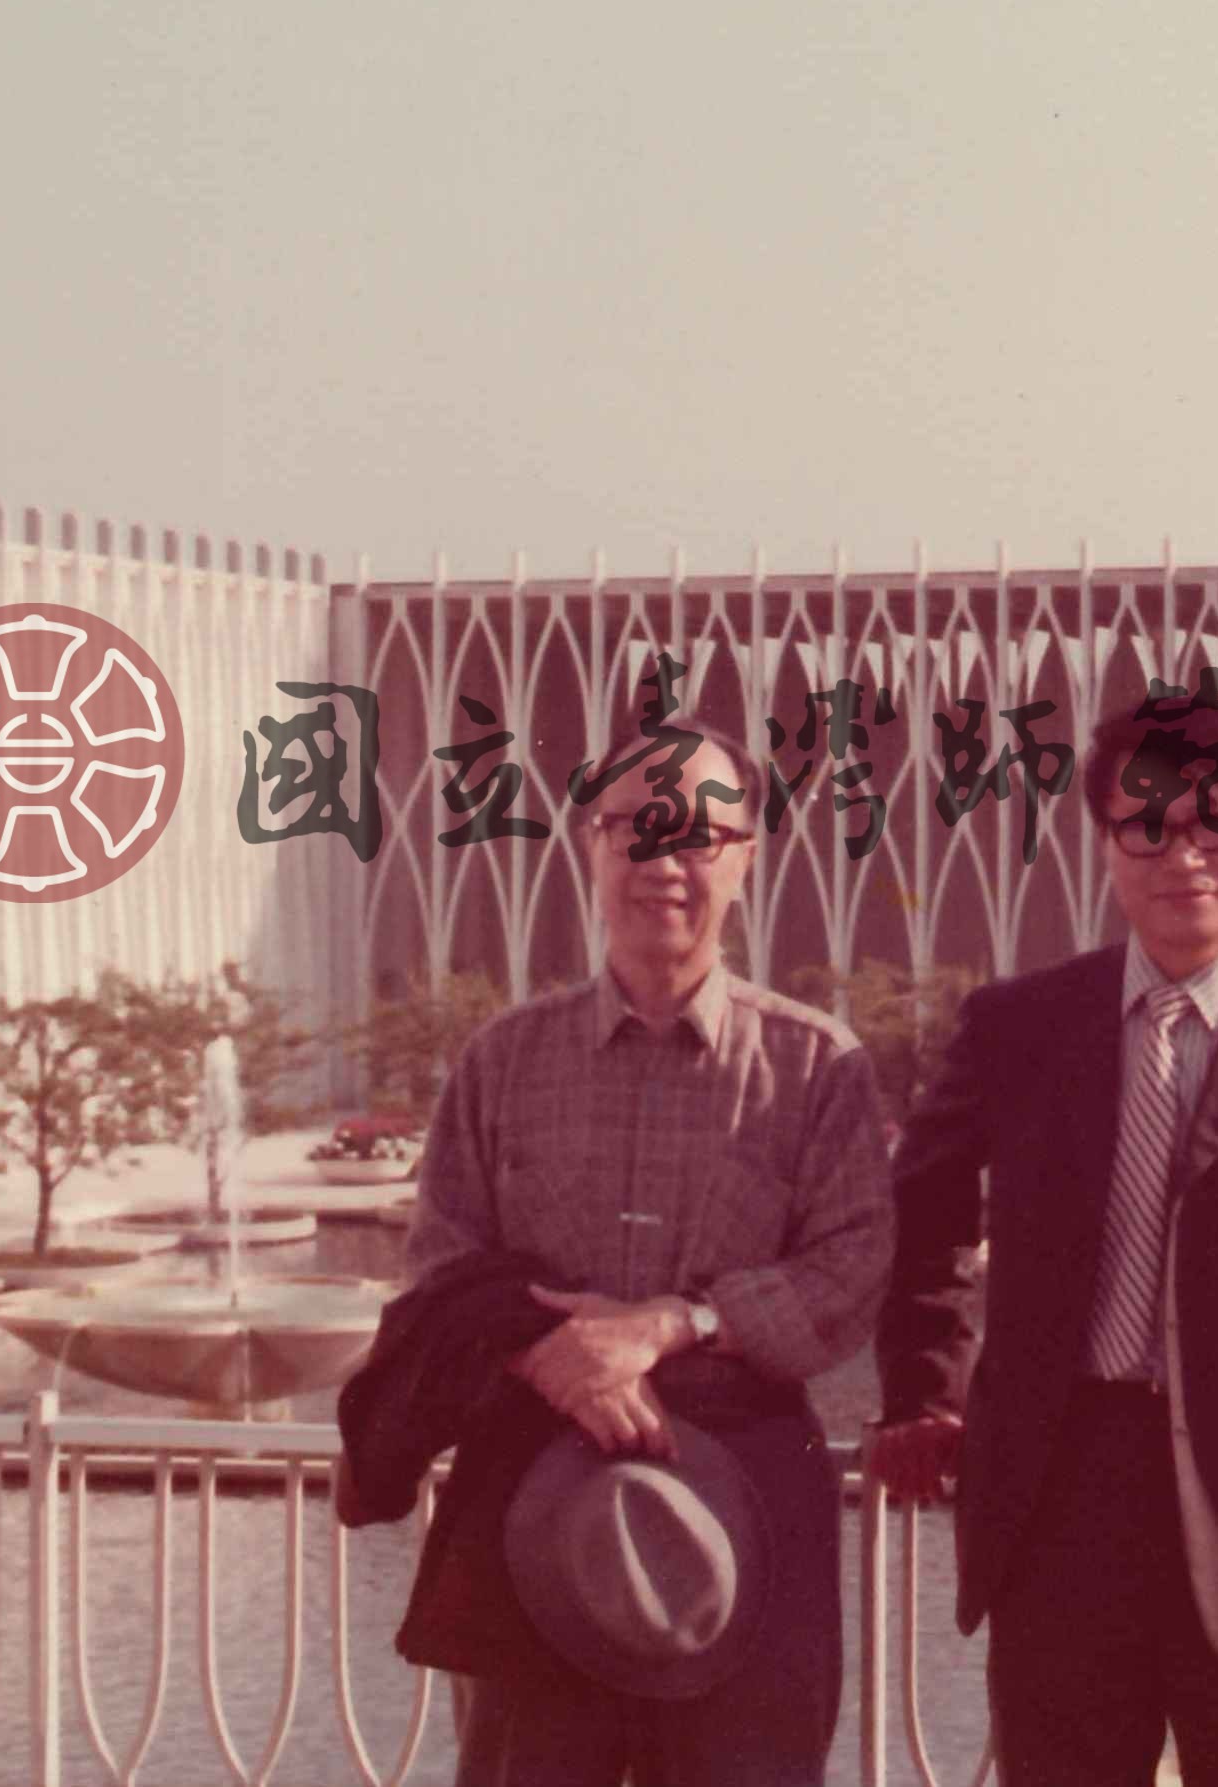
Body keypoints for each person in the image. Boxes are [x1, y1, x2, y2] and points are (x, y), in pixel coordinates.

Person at [868, 704, 1218, 1787]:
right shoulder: (1018, 1028)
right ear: (1106, 843)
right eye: (1147, 826)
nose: (1183, 855)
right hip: (1056, 1516)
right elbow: (922, 1208)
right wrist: (926, 1385)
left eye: (1214, 821)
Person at [394, 710, 893, 1787]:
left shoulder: (818, 1067)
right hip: (535, 1501)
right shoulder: (502, 1060)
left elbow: (850, 1272)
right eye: (637, 828)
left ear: (746, 860)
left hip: (748, 1499)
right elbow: (439, 1260)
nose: (665, 861)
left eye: (699, 834)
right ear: (594, 845)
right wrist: (555, 1359)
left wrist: (676, 1326)